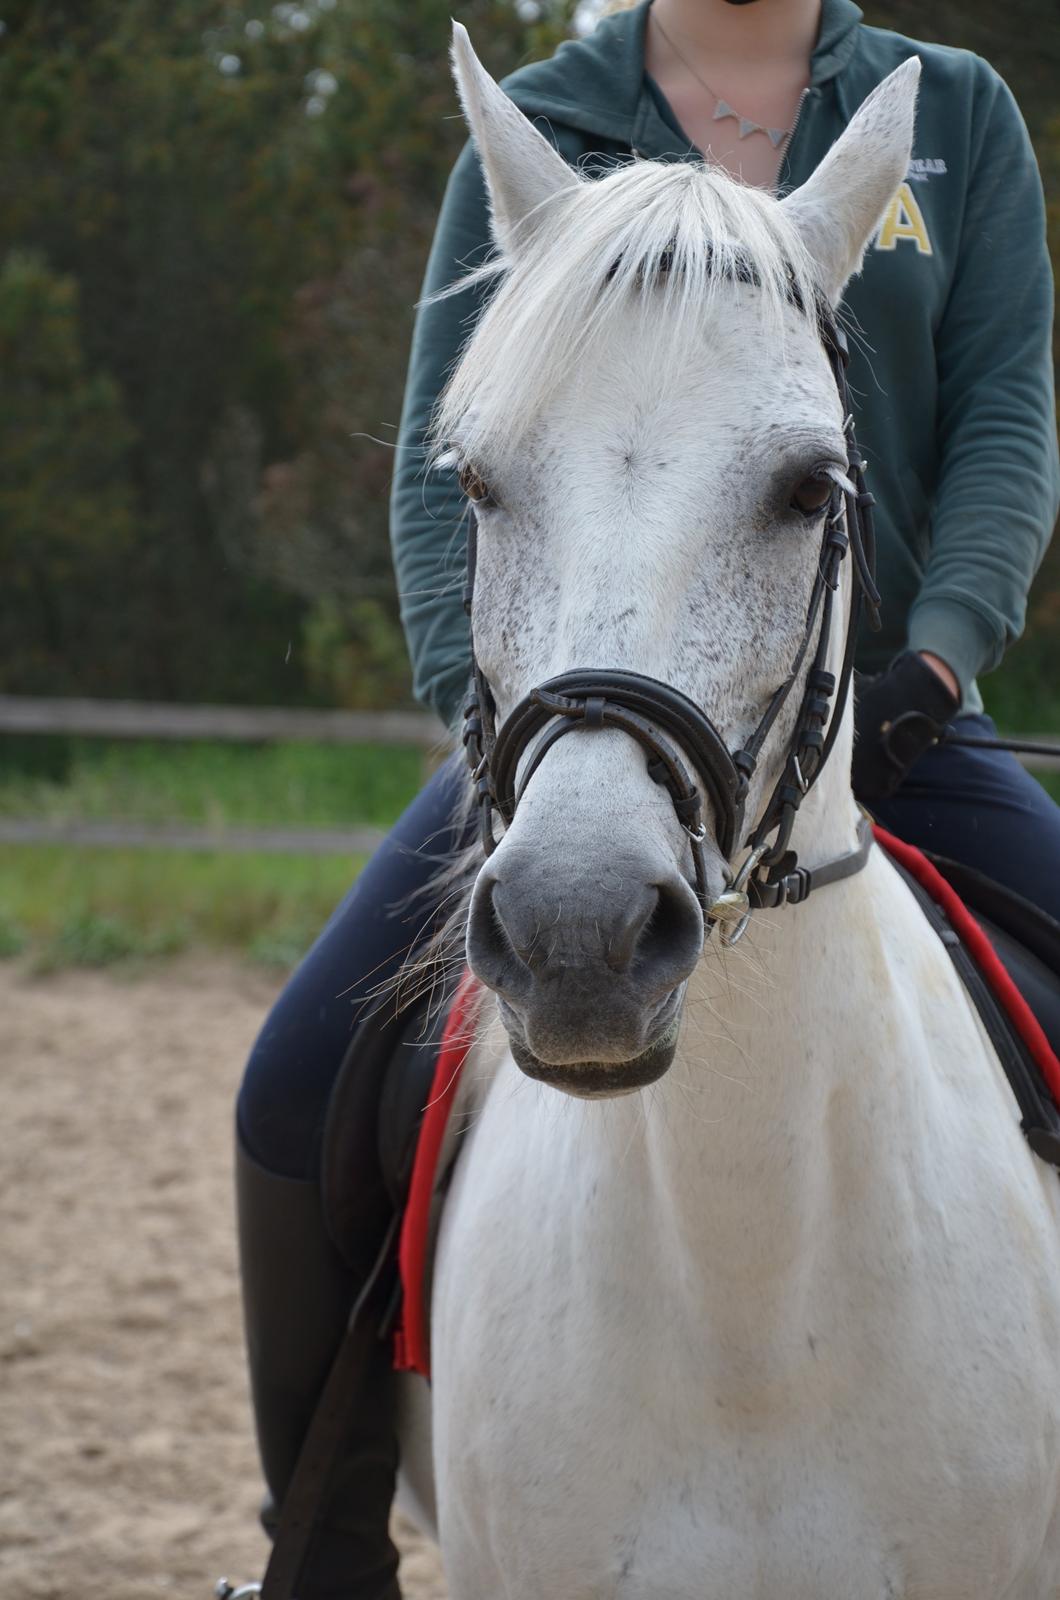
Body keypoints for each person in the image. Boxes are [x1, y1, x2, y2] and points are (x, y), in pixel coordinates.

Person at [234, 2, 1060, 1595]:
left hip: (883, 715)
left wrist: (940, 660)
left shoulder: (948, 110)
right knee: (297, 1083)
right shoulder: (549, 116)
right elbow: (445, 462)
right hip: (577, 737)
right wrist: (494, 739)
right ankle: (324, 1541)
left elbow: (1007, 419)